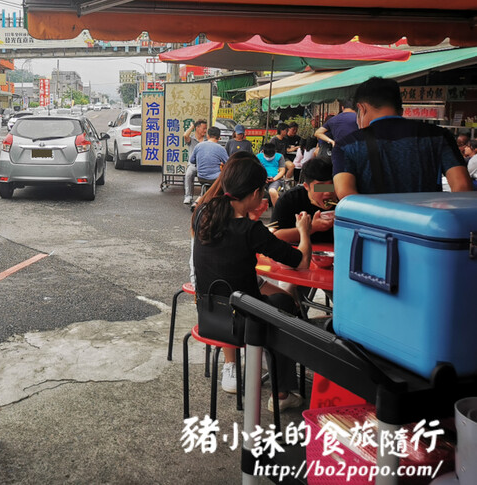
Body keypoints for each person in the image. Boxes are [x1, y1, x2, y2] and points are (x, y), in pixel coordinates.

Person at [193, 155, 311, 409]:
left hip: (209, 315)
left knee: (280, 301)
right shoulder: (250, 230)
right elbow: (300, 261)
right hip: (243, 323)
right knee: (284, 307)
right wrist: (304, 229)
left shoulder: (203, 212)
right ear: (257, 192)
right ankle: (281, 394)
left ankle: (276, 381)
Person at [333, 77, 471, 197]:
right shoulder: (439, 136)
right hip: (427, 223)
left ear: (361, 108)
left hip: (374, 226)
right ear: (401, 110)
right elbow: (463, 187)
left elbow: (345, 194)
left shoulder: (346, 145)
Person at [273, 158, 338, 244]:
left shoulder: (345, 201)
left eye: (332, 186)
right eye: (320, 187)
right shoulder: (289, 199)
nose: (328, 193)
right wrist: (312, 228)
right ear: (306, 186)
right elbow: (276, 236)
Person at [187, 126, 228, 203]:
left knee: (206, 188)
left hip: (201, 177)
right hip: (215, 179)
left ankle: (198, 201)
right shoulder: (221, 148)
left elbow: (192, 161)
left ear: (208, 136)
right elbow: (228, 163)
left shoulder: (198, 146)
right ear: (219, 137)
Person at [182, 119, 208, 205]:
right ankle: (188, 196)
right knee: (189, 174)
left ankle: (203, 196)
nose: (205, 130)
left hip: (204, 165)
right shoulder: (191, 139)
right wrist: (192, 127)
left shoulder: (207, 140)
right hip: (193, 164)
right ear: (197, 128)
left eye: (206, 128)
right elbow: (185, 135)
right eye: (203, 128)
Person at [257, 142, 286, 206]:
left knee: (272, 191)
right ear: (263, 151)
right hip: (261, 179)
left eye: (271, 156)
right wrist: (262, 178)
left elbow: (282, 170)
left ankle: (277, 211)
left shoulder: (280, 157)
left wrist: (274, 179)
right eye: (267, 156)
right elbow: (255, 170)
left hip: (275, 179)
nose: (268, 158)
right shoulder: (258, 157)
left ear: (275, 152)